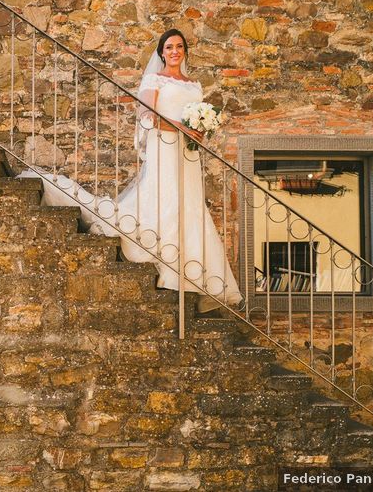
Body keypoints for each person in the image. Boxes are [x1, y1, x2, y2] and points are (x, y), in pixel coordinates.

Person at [21, 29, 242, 306]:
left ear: (185, 51)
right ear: (162, 52)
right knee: (165, 201)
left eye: (180, 46)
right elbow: (146, 116)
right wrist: (179, 127)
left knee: (190, 206)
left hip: (188, 154)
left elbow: (194, 120)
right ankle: (170, 268)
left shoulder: (194, 85)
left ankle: (193, 279)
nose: (175, 51)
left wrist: (200, 129)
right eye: (170, 47)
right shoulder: (155, 79)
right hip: (165, 147)